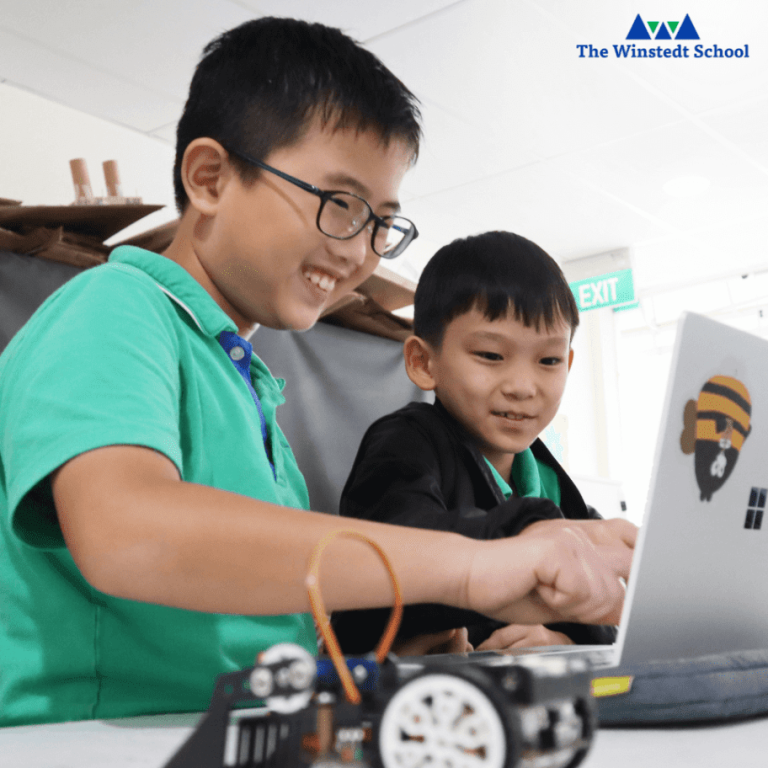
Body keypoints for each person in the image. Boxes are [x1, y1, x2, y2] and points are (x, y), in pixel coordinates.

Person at [0, 19, 634, 727]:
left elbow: (251, 631)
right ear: (210, 178)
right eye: (341, 206)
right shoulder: (112, 306)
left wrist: (380, 657)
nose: (361, 251)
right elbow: (128, 533)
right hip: (86, 735)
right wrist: (472, 567)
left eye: (381, 223)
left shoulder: (245, 382)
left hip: (236, 726)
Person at [333, 231, 632, 654]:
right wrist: (532, 539)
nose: (523, 386)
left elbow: (609, 609)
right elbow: (400, 553)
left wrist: (560, 640)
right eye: (491, 356)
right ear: (423, 362)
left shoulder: (550, 480)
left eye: (548, 360)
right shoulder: (405, 442)